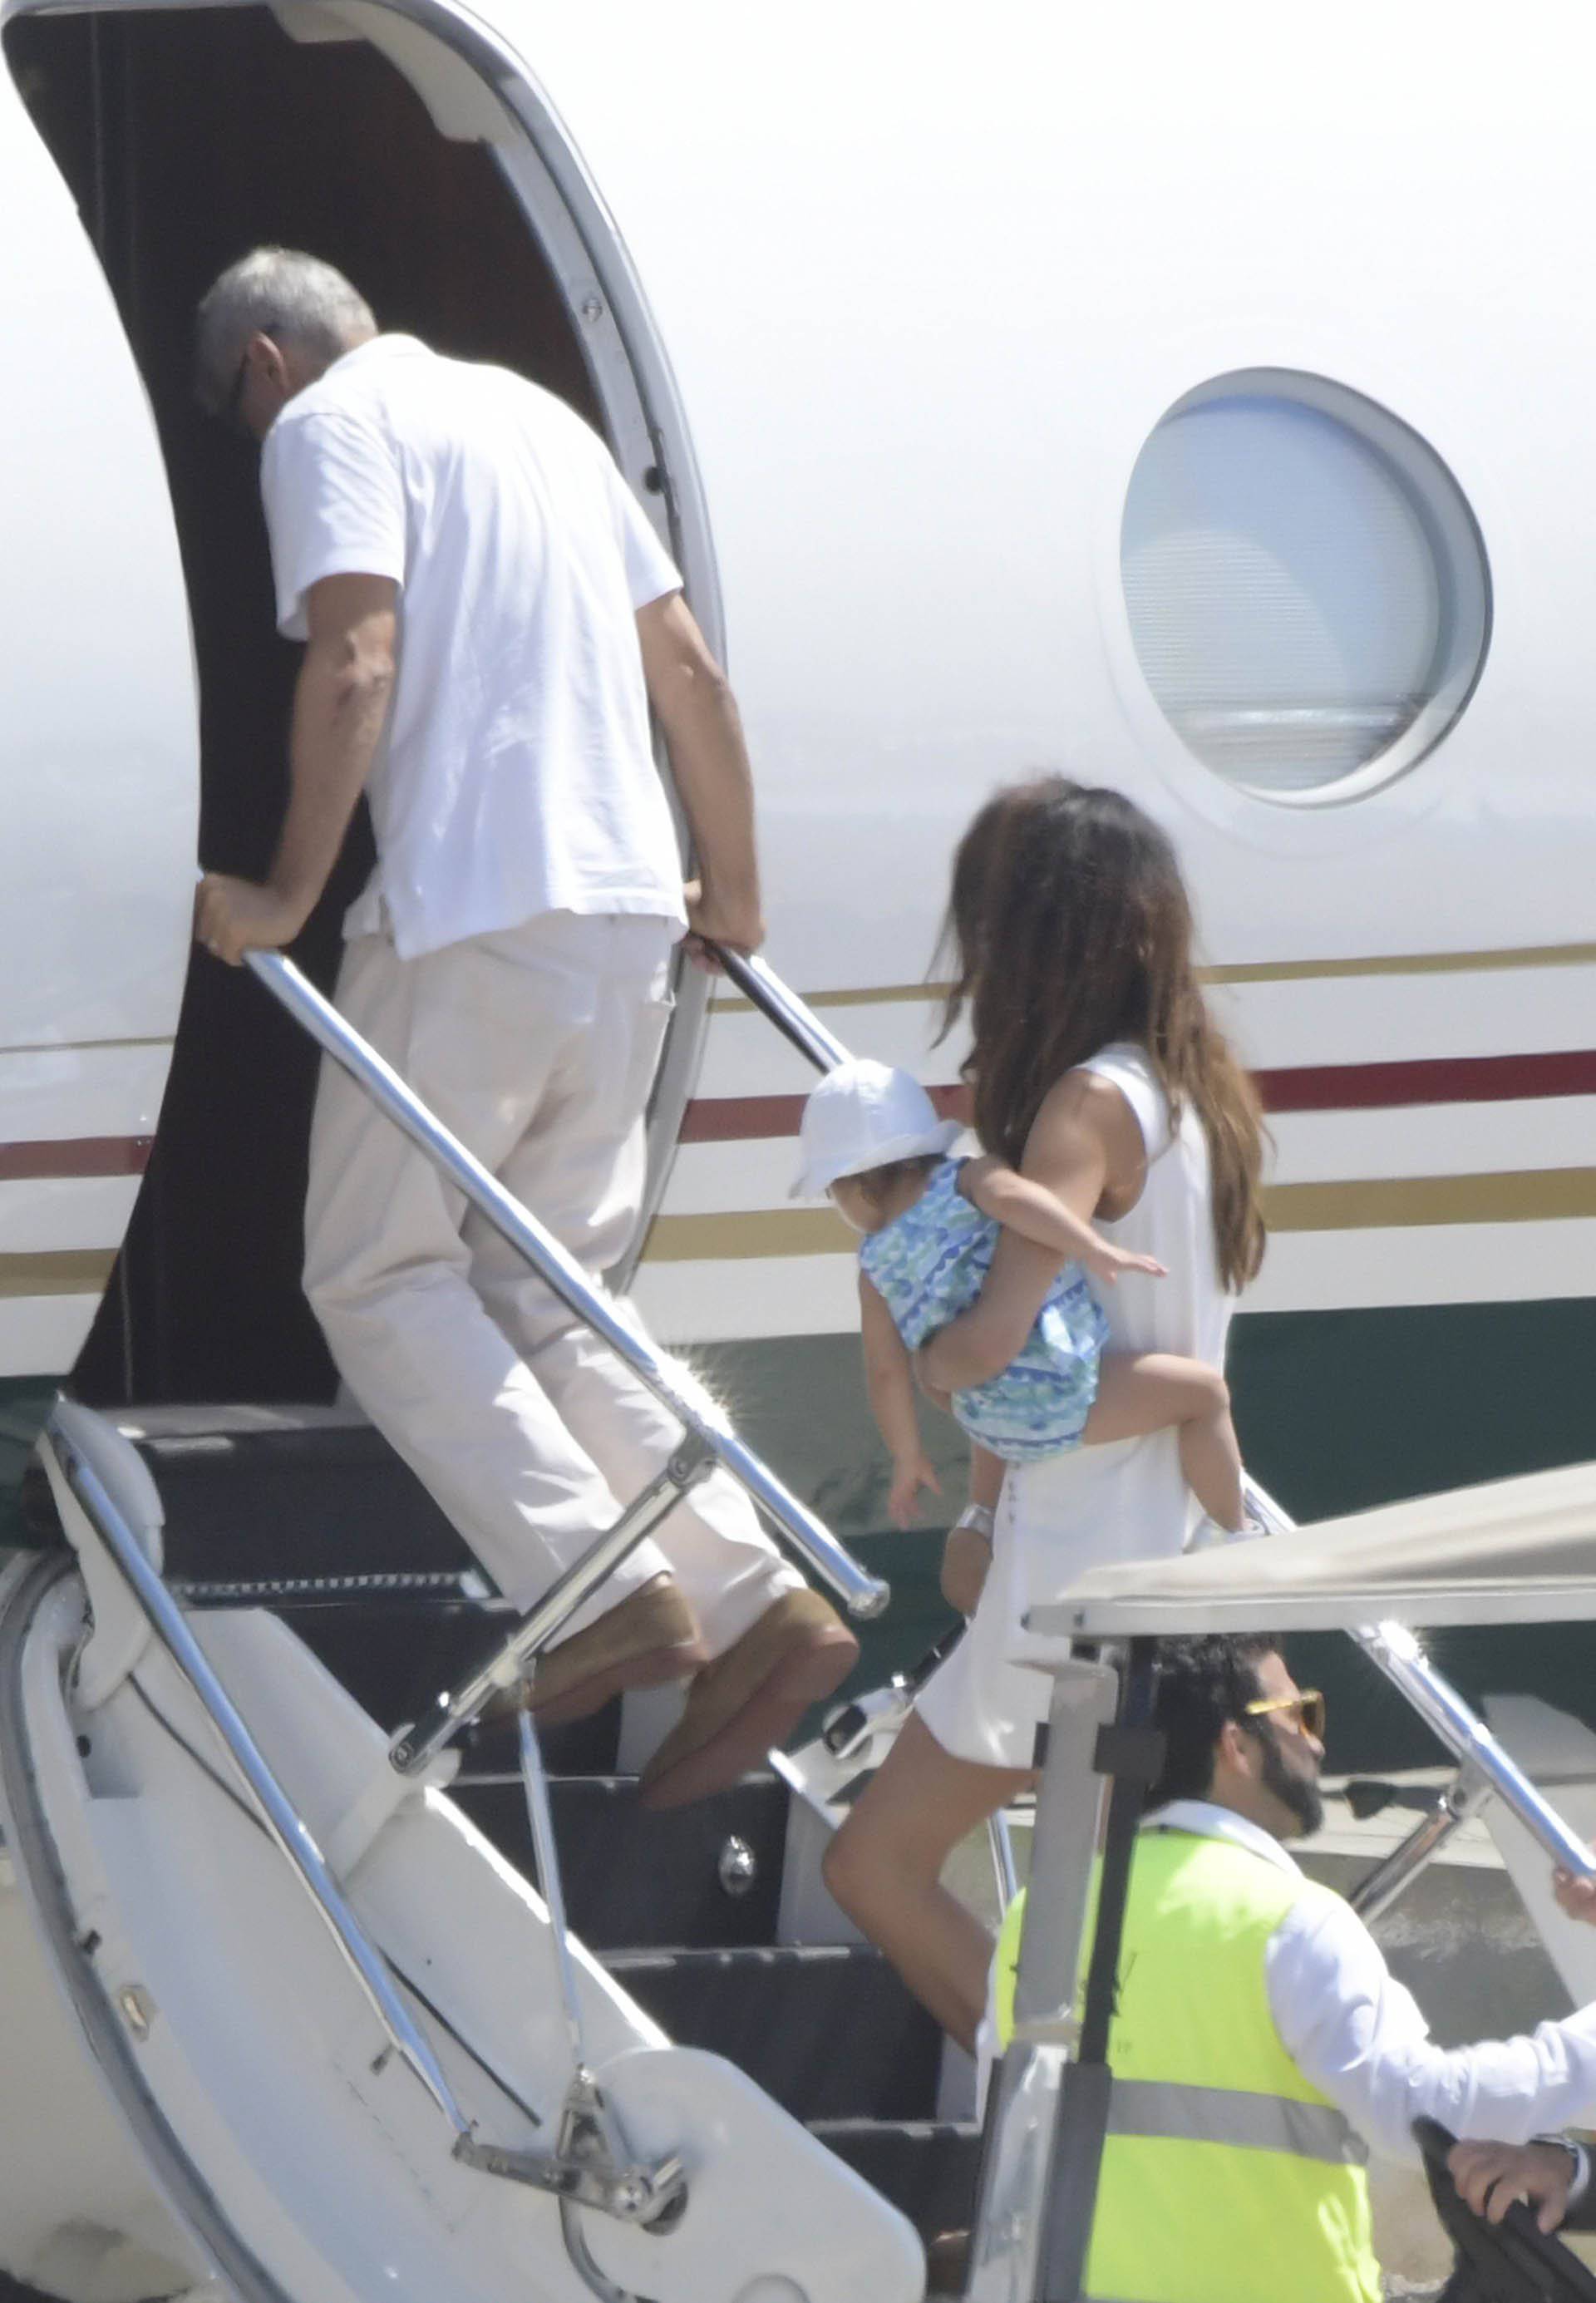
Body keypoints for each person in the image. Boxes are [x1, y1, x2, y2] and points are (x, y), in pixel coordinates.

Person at [189, 248, 856, 1807]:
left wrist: (287, 895)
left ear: (268, 366)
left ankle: (598, 1586)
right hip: (626, 921)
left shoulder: (328, 427)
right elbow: (688, 673)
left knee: (375, 1276)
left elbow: (358, 656)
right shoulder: (543, 424)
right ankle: (759, 1600)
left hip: (472, 913)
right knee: (547, 1300)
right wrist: (735, 892)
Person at [824, 776, 1266, 2044]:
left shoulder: (1079, 1110)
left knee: (877, 1864)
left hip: (1070, 1580)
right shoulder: (1200, 1094)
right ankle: (1071, 2135)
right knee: (1104, 1920)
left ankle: (1050, 2136)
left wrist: (923, 1347)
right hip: (1161, 1555)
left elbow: (999, 1344)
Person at [987, 1635, 1596, 2303]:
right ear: (1236, 1745)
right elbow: (1426, 2113)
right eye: (1301, 1716)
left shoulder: (1035, 1917)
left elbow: (1016, 2146)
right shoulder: (1291, 1920)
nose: (1318, 1745)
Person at [792, 1057, 1244, 1540]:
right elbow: (1017, 1203)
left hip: (992, 1425)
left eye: (830, 1194)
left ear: (857, 1187)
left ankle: (985, 1520)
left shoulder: (873, 1268)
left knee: (937, 1367)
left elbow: (886, 1373)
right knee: (1205, 1395)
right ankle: (1233, 1531)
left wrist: (909, 1457)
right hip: (1063, 1388)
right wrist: (1092, 1246)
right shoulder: (968, 1179)